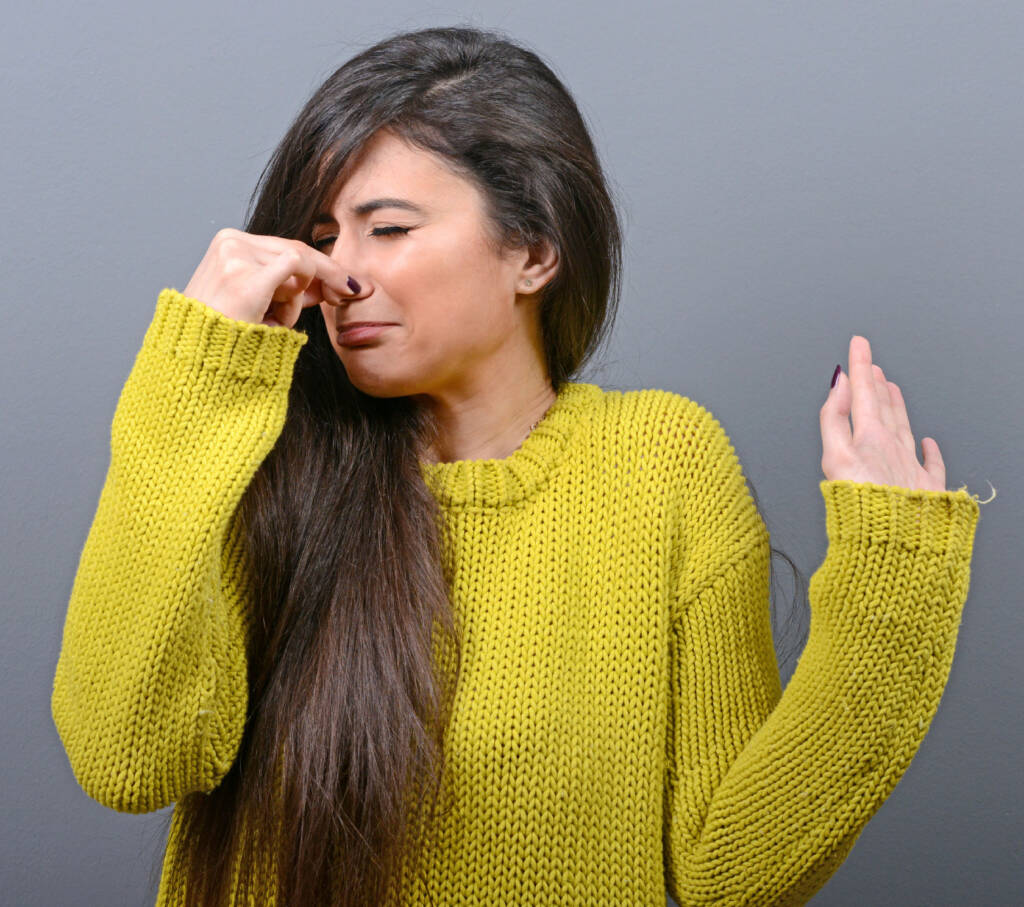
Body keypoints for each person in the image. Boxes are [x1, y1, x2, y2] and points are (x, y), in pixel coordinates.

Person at [50, 24, 981, 907]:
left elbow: (733, 870)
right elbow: (129, 754)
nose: (341, 275)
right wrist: (191, 390)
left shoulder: (664, 466)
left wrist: (889, 592)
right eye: (326, 237)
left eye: (390, 228)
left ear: (534, 250)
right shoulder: (258, 454)